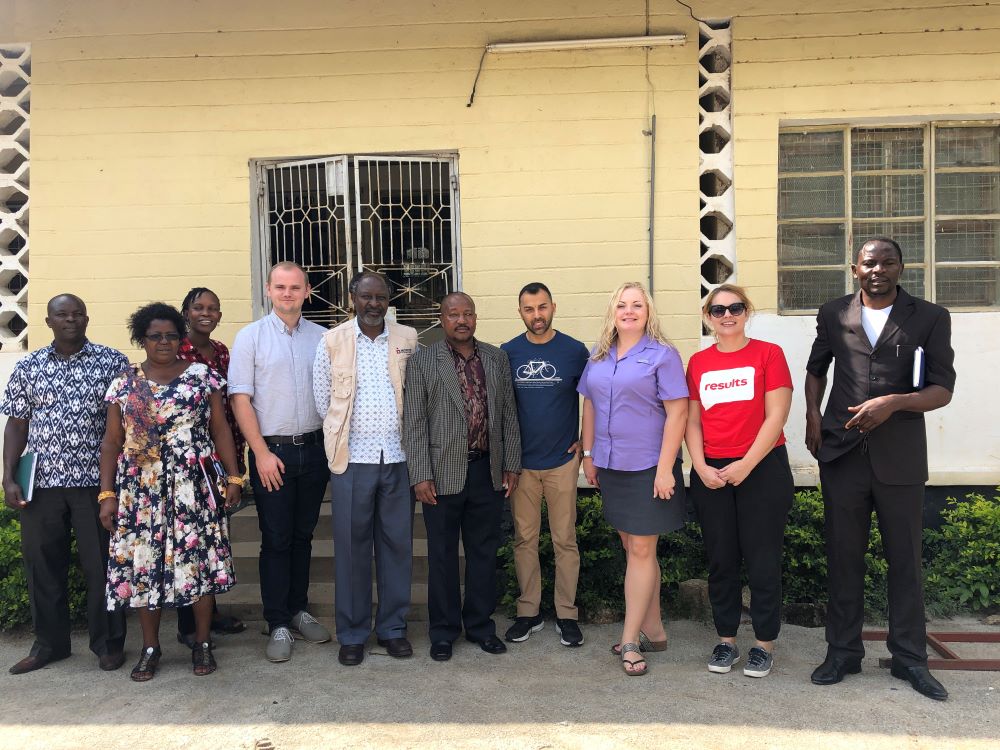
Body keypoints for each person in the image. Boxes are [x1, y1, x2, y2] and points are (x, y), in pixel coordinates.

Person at [805, 237, 955, 701]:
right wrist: (812, 417)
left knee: (905, 562)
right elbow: (816, 370)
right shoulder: (834, 313)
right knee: (843, 556)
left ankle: (910, 659)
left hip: (901, 457)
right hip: (842, 454)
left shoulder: (930, 317)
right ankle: (843, 653)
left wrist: (894, 403)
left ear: (901, 268)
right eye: (870, 262)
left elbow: (942, 388)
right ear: (855, 269)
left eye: (888, 262)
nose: (879, 270)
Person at [98, 303, 242, 680]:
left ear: (181, 337)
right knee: (145, 565)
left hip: (192, 486)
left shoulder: (202, 376)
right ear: (141, 339)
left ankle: (203, 642)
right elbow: (112, 443)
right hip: (141, 491)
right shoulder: (125, 383)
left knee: (197, 562)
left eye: (171, 335)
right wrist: (107, 493)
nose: (164, 342)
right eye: (155, 336)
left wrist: (233, 477)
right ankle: (150, 646)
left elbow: (221, 430)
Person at [1, 294, 129, 675]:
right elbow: (17, 424)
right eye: (62, 314)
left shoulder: (113, 362)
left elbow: (124, 424)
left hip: (96, 484)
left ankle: (108, 644)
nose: (70, 320)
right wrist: (8, 477)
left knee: (102, 565)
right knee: (42, 565)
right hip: (42, 483)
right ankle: (50, 645)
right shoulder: (29, 366)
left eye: (77, 314)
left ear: (87, 319)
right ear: (48, 321)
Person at [403, 292, 521, 662]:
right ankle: (443, 631)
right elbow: (415, 422)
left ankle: (481, 626)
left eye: (467, 313)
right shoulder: (423, 361)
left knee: (483, 553)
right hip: (441, 475)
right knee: (441, 555)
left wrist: (511, 463)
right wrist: (420, 474)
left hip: (486, 470)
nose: (462, 320)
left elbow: (507, 415)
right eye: (453, 314)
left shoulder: (496, 358)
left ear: (475, 317)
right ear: (442, 319)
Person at [578, 281, 688, 677]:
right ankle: (654, 629)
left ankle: (630, 639)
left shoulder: (663, 355)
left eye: (637, 305)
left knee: (641, 551)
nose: (629, 311)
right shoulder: (598, 356)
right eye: (622, 305)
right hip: (611, 465)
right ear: (613, 312)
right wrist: (588, 456)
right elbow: (589, 405)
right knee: (634, 549)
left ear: (648, 311)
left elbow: (678, 413)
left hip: (648, 466)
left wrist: (665, 468)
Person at [684, 284, 794, 679]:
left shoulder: (769, 354)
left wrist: (746, 464)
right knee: (721, 560)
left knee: (763, 560)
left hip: (761, 468)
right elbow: (691, 420)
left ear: (747, 311)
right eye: (717, 310)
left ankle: (764, 644)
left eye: (734, 308)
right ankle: (726, 640)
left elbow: (776, 416)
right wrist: (699, 466)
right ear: (707, 317)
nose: (726, 315)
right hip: (711, 471)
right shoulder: (698, 362)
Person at [313, 271, 419, 666]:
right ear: (352, 297)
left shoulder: (407, 339)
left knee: (397, 546)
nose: (374, 304)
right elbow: (324, 403)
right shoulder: (332, 342)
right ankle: (353, 633)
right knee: (353, 550)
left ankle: (393, 628)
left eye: (381, 297)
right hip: (351, 461)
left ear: (389, 300)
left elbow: (416, 394)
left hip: (398, 458)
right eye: (366, 297)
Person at [229, 261, 332, 663]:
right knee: (275, 540)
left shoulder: (323, 339)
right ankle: (277, 623)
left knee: (303, 537)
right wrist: (260, 453)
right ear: (268, 291)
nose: (288, 293)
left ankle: (298, 609)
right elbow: (240, 398)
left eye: (295, 287)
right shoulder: (250, 338)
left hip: (314, 449)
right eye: (280, 287)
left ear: (308, 291)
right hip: (272, 453)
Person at [500, 282, 589, 647]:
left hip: (561, 462)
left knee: (564, 540)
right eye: (528, 309)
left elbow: (597, 397)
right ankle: (529, 612)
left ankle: (566, 614)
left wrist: (587, 441)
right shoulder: (508, 353)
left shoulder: (574, 351)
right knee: (524, 540)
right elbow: (502, 408)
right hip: (521, 466)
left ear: (553, 306)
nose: (536, 315)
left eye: (541, 307)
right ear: (520, 312)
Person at [175, 286, 246, 646]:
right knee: (189, 542)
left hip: (221, 459)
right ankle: (188, 625)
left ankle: (211, 613)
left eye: (214, 308)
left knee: (212, 538)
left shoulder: (220, 352)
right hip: (188, 463)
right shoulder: (175, 350)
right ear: (185, 311)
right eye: (199, 307)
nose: (207, 313)